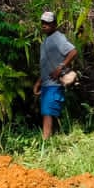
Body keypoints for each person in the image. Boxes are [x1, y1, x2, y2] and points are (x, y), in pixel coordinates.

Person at [34, 10, 77, 140]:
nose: (44, 25)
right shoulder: (46, 40)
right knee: (50, 112)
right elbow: (47, 64)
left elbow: (73, 51)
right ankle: (55, 139)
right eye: (43, 22)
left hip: (54, 83)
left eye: (47, 23)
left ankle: (45, 142)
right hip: (47, 83)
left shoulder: (58, 37)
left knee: (48, 112)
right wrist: (39, 82)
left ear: (54, 24)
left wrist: (61, 67)